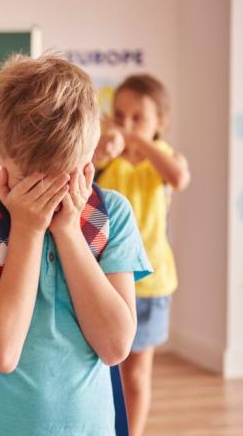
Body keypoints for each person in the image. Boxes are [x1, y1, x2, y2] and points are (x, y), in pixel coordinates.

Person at [0, 54, 152, 435]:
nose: (54, 192)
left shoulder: (113, 214)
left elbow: (114, 347)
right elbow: (2, 351)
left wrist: (69, 232)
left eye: (68, 174)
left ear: (91, 153)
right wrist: (27, 230)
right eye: (34, 179)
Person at [94, 74, 191, 436]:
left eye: (139, 118)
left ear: (160, 123)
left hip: (151, 284)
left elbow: (179, 178)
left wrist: (139, 140)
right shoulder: (106, 158)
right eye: (120, 115)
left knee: (136, 374)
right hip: (103, 281)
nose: (128, 124)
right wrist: (107, 145)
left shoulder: (164, 158)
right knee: (105, 371)